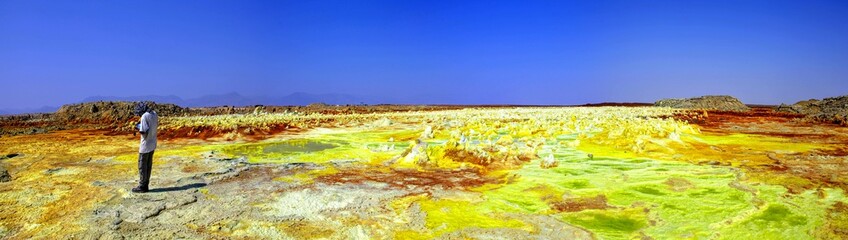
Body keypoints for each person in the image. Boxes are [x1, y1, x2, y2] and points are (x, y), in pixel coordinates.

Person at [132, 102, 158, 193]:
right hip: (153, 143)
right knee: (148, 165)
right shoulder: (154, 114)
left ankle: (142, 186)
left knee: (142, 166)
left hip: (145, 145)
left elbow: (143, 132)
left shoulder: (144, 116)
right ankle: (146, 184)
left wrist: (138, 127)